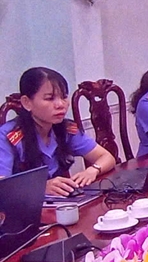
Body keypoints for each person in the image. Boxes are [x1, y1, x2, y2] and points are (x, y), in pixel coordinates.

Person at [0, 68, 115, 196]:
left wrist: (93, 170)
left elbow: (107, 157)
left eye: (64, 97)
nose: (60, 104)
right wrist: (40, 187)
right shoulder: (7, 136)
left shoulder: (66, 129)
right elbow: (2, 186)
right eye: (50, 98)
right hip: (23, 205)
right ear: (27, 103)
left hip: (61, 203)